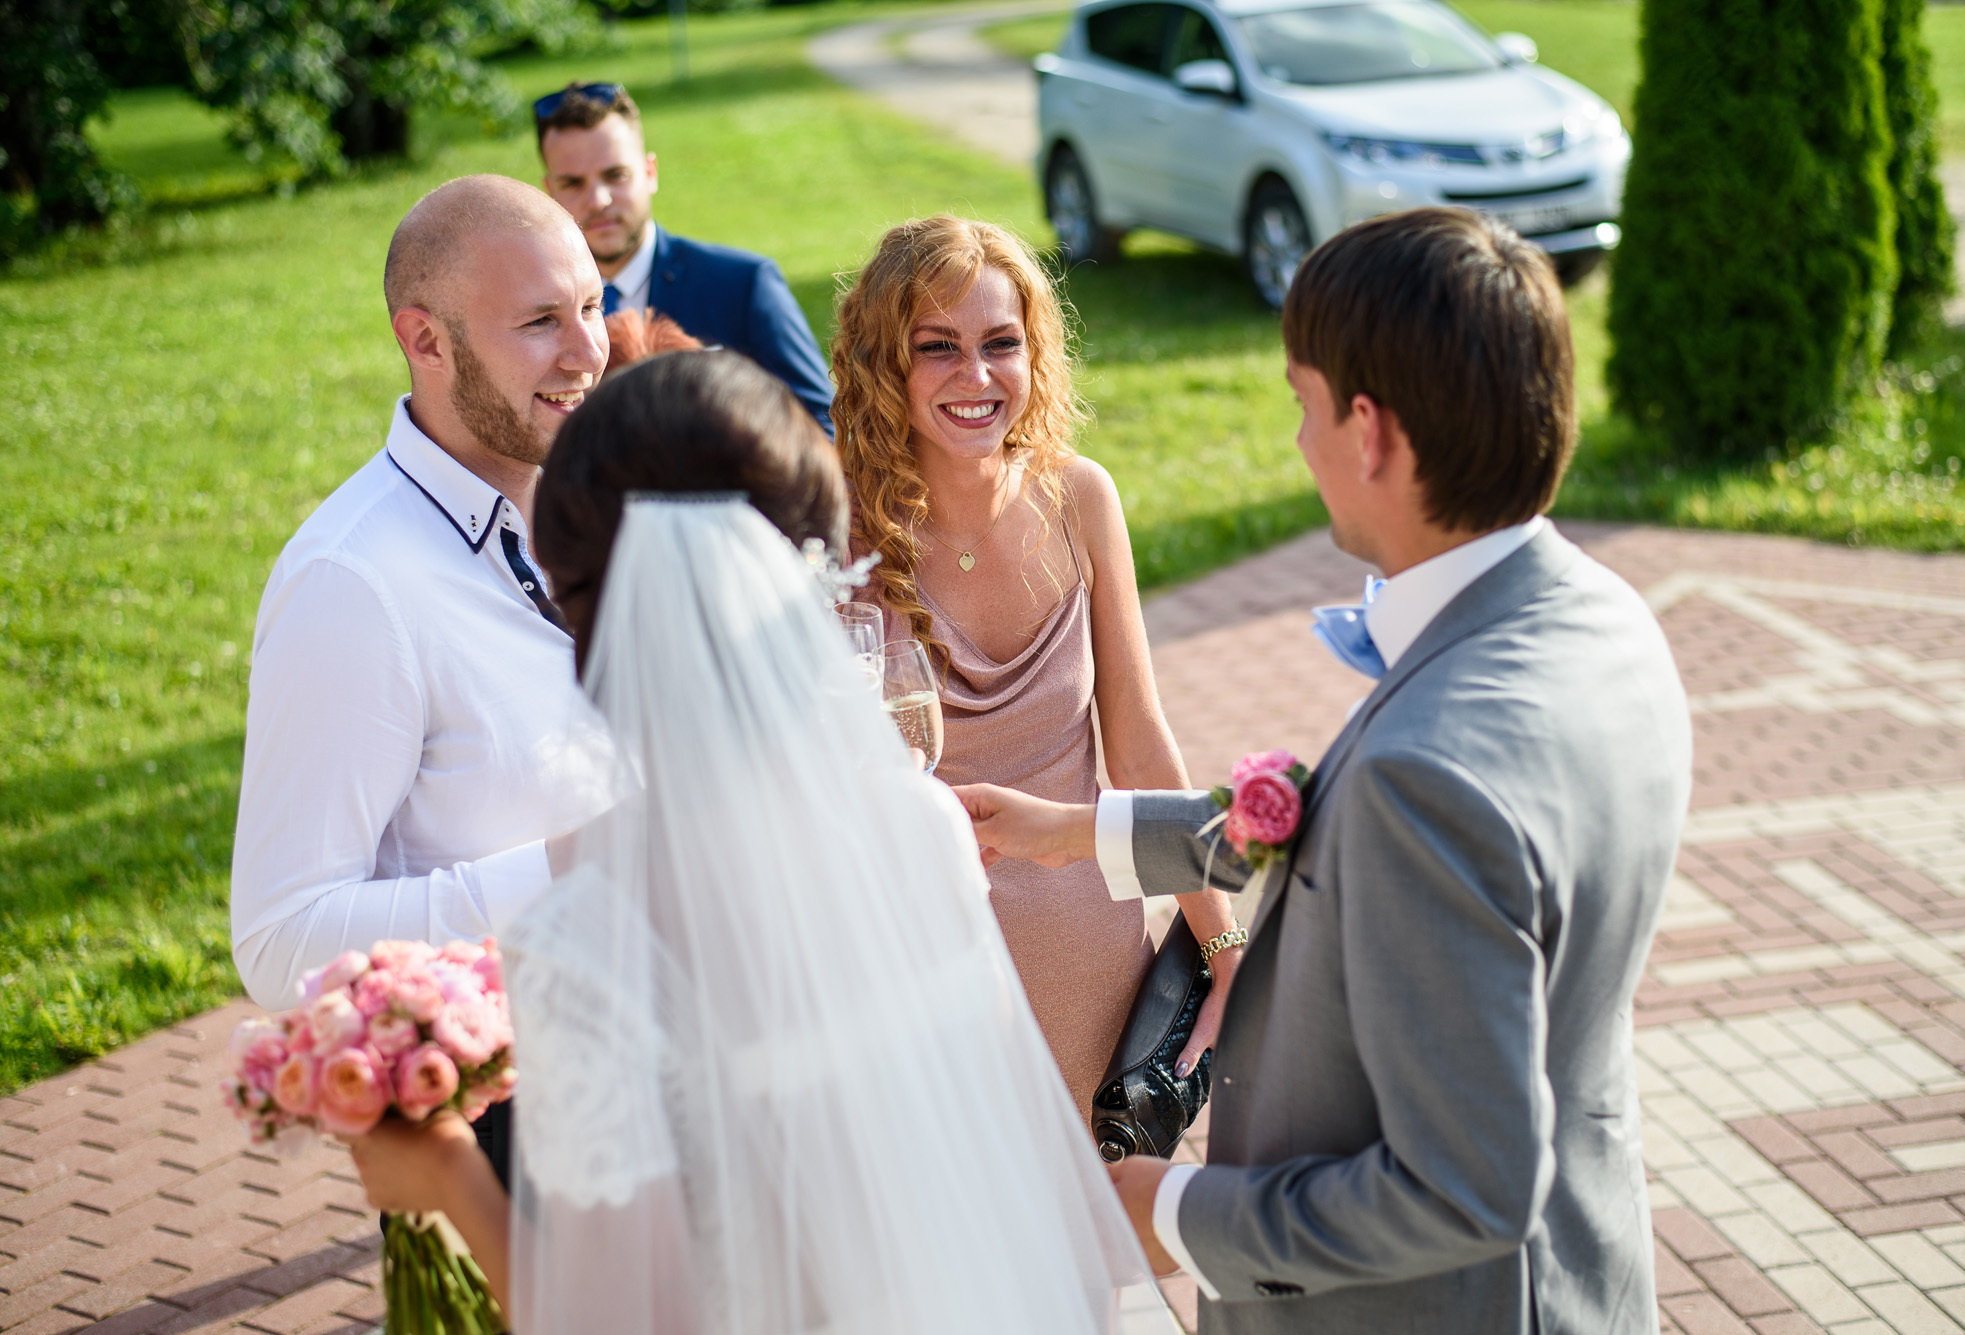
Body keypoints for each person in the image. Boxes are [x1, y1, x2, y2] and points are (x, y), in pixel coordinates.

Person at [958, 208, 1693, 1334]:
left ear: (1371, 433)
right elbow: (1340, 821)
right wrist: (1077, 833)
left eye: (1301, 405)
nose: (1296, 444)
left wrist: (1183, 1211)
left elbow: (1462, 1189)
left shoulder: (1426, 776)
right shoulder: (1599, 619)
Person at [346, 349, 1173, 1334]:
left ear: (573, 602)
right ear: (807, 572)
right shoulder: (920, 834)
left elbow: (618, 1321)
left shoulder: (578, 939)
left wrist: (443, 1173)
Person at [230, 174, 612, 1185]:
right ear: (426, 340)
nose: (587, 351)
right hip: (516, 1132)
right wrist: (584, 864)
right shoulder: (350, 585)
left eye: (591, 305)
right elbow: (280, 946)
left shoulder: (602, 497)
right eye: (540, 322)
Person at [831, 215, 1245, 1117]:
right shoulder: (829, 530)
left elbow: (1139, 746)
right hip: (914, 983)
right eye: (935, 347)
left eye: (1000, 344)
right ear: (880, 363)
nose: (974, 377)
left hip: (1092, 980)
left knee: (1102, 1248)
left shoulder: (1081, 498)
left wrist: (1223, 948)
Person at [535, 81, 836, 436]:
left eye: (615, 175)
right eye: (573, 183)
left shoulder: (742, 285)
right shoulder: (529, 303)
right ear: (549, 191)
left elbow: (821, 428)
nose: (598, 199)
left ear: (650, 173)